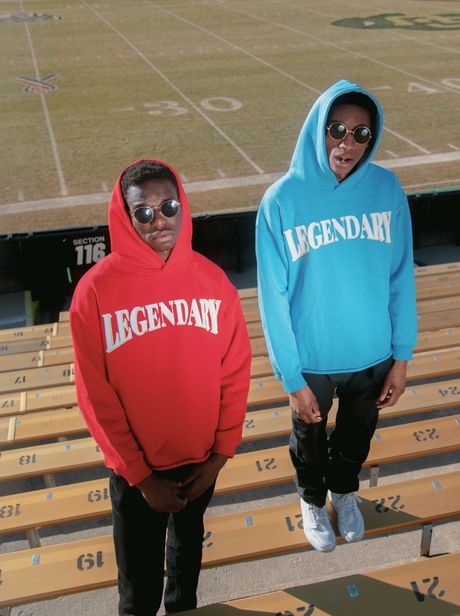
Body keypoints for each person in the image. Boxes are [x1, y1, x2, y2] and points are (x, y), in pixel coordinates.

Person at [70, 159, 251, 614]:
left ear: (182, 205)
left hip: (200, 463)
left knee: (186, 568)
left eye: (168, 207)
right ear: (125, 216)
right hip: (136, 475)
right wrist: (142, 478)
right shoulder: (94, 291)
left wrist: (219, 456)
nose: (159, 221)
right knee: (138, 590)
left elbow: (235, 373)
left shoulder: (213, 282)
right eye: (143, 213)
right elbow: (94, 396)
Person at [255, 80, 417, 553]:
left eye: (361, 133)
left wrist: (402, 356)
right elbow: (272, 298)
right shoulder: (280, 200)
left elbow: (400, 275)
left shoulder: (386, 189)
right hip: (312, 359)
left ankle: (344, 492)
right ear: (317, 129)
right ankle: (311, 499)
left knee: (356, 437)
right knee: (308, 439)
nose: (347, 143)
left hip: (373, 353)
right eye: (337, 129)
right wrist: (291, 377)